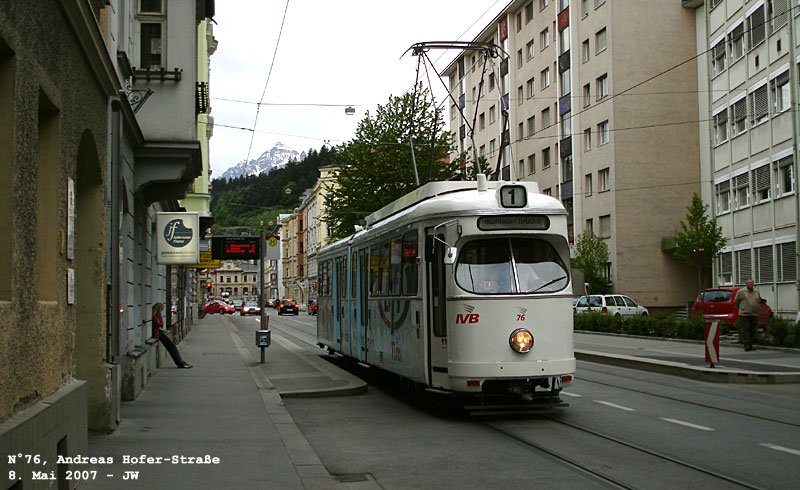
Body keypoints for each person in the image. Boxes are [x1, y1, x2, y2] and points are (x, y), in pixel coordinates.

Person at [152, 302, 193, 368]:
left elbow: (161, 324)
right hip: (156, 333)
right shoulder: (154, 316)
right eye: (161, 309)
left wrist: (159, 320)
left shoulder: (157, 315)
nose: (161, 311)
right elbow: (159, 324)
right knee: (171, 346)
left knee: (171, 346)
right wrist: (158, 321)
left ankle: (181, 362)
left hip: (158, 332)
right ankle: (180, 363)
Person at [733, 278, 761, 351]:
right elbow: (736, 301)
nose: (751, 284)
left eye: (752, 283)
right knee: (745, 329)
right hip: (744, 314)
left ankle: (751, 345)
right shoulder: (741, 291)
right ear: (746, 284)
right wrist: (741, 308)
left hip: (754, 313)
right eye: (750, 283)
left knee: (752, 330)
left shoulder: (756, 292)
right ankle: (746, 345)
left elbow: (758, 301)